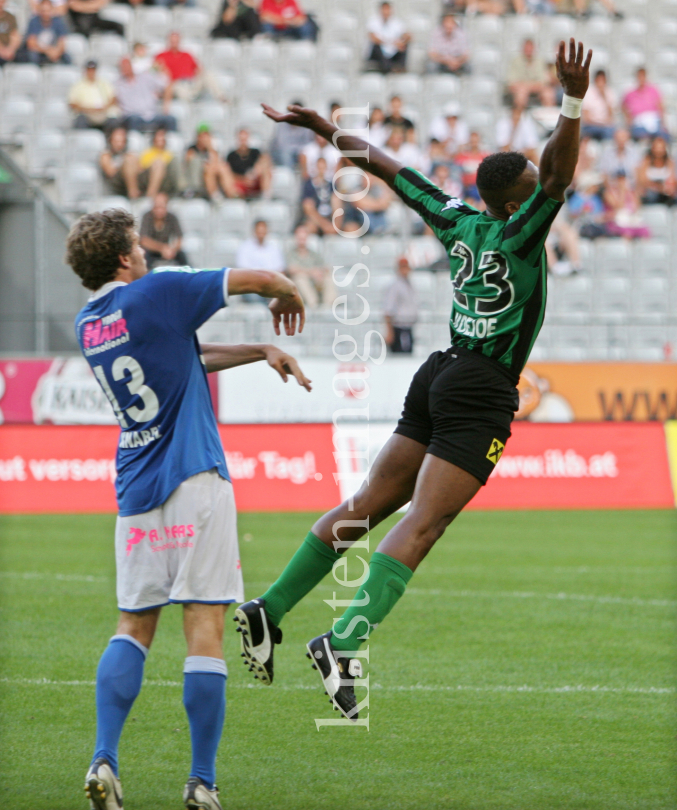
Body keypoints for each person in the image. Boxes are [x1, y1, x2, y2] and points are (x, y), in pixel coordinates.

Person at [237, 37, 592, 721]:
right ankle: (341, 643)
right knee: (423, 524)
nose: (539, 178)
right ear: (515, 196)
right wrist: (572, 101)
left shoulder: (456, 218)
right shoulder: (523, 231)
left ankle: (269, 607)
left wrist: (322, 129)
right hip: (482, 386)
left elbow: (390, 169)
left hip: (436, 371)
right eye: (530, 179)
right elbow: (557, 175)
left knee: (370, 501)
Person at [66, 208, 307, 810]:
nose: (145, 251)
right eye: (137, 245)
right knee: (204, 627)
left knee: (133, 627)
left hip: (136, 488)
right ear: (125, 258)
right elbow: (254, 280)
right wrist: (290, 291)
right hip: (195, 478)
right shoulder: (162, 289)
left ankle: (104, 760)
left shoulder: (91, 323)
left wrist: (258, 348)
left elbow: (183, 355)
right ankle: (201, 782)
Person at [155, 32, 224, 102]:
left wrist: (198, 74)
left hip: (191, 83)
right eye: (172, 41)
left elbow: (198, 69)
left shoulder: (187, 55)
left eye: (176, 41)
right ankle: (189, 105)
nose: (174, 43)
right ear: (168, 41)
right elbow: (154, 71)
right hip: (176, 85)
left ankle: (221, 98)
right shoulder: (161, 56)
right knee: (179, 89)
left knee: (208, 74)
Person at [114, 56, 176, 133]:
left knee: (170, 119)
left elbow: (166, 84)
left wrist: (166, 106)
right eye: (123, 66)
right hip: (133, 116)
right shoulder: (118, 84)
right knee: (133, 120)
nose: (125, 68)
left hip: (151, 115)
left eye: (127, 65)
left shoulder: (145, 77)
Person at [286, 225, 335, 308]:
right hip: (300, 285)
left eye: (304, 237)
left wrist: (319, 272)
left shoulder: (313, 254)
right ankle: (313, 305)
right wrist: (311, 272)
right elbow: (292, 270)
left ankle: (329, 305)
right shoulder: (291, 254)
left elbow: (324, 267)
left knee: (328, 278)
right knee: (300, 278)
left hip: (315, 281)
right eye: (299, 237)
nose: (302, 240)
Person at [184, 124, 236, 200]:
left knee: (222, 168)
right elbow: (190, 163)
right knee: (209, 169)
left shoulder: (211, 150)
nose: (204, 139)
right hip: (199, 178)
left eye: (206, 136)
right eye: (202, 136)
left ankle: (230, 193)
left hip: (213, 175)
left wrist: (210, 147)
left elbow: (217, 161)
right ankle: (215, 195)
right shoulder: (192, 149)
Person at [139, 193, 188, 269]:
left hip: (168, 250)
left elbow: (179, 238)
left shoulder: (172, 217)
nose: (159, 210)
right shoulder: (147, 217)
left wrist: (172, 249)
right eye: (156, 207)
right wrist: (162, 248)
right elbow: (144, 240)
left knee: (182, 256)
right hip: (152, 251)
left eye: (161, 207)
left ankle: (187, 276)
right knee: (145, 256)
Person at [622, 68, 670, 142]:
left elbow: (660, 106)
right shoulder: (630, 93)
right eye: (639, 76)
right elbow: (623, 106)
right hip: (639, 122)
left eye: (643, 76)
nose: (641, 79)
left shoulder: (653, 90)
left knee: (664, 135)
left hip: (653, 120)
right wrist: (628, 118)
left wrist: (663, 123)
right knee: (637, 133)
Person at [69, 59, 118, 130]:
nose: (91, 72)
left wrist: (105, 107)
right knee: (80, 121)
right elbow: (72, 103)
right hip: (86, 114)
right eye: (89, 70)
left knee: (114, 122)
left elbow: (113, 98)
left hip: (103, 114)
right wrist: (88, 109)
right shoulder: (78, 85)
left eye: (93, 70)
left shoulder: (103, 83)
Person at [506, 38, 555, 109]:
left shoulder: (540, 61)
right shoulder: (516, 61)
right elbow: (511, 82)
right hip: (521, 89)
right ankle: (520, 118)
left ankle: (548, 117)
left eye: (530, 48)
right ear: (523, 49)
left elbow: (544, 81)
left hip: (537, 89)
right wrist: (526, 87)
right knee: (521, 94)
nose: (529, 50)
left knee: (549, 94)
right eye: (527, 48)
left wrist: (529, 86)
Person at [384, 257, 418, 354]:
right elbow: (388, 310)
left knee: (407, 354)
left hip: (408, 326)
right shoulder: (395, 286)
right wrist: (390, 332)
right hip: (399, 326)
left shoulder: (409, 285)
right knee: (400, 354)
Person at [225, 128, 271, 199]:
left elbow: (265, 161)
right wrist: (244, 180)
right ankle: (235, 199)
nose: (243, 142)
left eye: (245, 139)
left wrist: (253, 174)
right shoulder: (231, 156)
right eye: (241, 139)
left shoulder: (255, 152)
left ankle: (265, 196)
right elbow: (229, 174)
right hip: (239, 185)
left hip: (255, 181)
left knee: (265, 166)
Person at [366, 1, 410, 75]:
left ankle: (400, 67)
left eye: (388, 9)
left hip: (392, 52)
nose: (386, 12)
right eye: (384, 9)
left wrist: (403, 42)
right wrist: (392, 43)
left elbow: (407, 36)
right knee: (376, 46)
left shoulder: (397, 22)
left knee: (404, 46)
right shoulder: (373, 21)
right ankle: (388, 68)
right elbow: (374, 38)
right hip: (378, 54)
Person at [22, 0, 70, 65]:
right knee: (32, 55)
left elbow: (62, 42)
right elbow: (31, 43)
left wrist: (57, 52)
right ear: (39, 11)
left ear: (52, 10)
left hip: (53, 50)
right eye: (43, 11)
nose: (46, 13)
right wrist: (48, 51)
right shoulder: (34, 21)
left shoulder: (58, 21)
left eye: (48, 10)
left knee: (67, 58)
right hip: (40, 52)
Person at [100, 127, 142, 199]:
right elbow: (110, 173)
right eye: (116, 141)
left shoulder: (129, 154)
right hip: (116, 182)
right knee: (129, 160)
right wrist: (125, 166)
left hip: (132, 179)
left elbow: (140, 169)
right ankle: (133, 193)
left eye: (122, 141)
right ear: (110, 141)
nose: (119, 144)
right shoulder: (106, 155)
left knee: (132, 157)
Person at [270, 100, 314, 168]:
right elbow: (281, 143)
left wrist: (299, 150)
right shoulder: (282, 123)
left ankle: (305, 177)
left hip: (299, 152)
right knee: (285, 154)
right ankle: (289, 176)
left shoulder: (307, 125)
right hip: (283, 152)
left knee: (306, 153)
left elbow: (308, 143)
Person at [139, 127, 181, 198]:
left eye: (163, 136)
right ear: (154, 139)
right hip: (148, 178)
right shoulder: (147, 153)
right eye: (159, 136)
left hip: (166, 180)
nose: (161, 139)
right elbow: (141, 169)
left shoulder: (170, 154)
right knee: (158, 163)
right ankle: (150, 195)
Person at [636, 136, 677, 207]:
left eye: (661, 148)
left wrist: (668, 188)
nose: (659, 150)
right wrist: (658, 187)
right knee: (651, 196)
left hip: (666, 192)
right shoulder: (646, 161)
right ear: (652, 148)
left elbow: (673, 179)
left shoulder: (670, 162)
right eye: (657, 147)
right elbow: (642, 180)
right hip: (650, 191)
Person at [300, 156, 337, 235]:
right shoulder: (308, 184)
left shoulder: (331, 185)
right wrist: (324, 225)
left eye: (323, 168)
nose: (321, 170)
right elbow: (308, 207)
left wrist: (335, 225)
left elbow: (337, 204)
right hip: (315, 219)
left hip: (329, 217)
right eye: (319, 167)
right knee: (310, 227)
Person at [454, 131, 491, 203]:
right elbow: (455, 167)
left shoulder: (485, 155)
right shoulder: (462, 155)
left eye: (476, 141)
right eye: (472, 141)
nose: (474, 144)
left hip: (479, 187)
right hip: (464, 186)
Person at [581, 69, 616, 141]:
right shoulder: (588, 92)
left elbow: (611, 116)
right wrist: (599, 122)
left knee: (611, 132)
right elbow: (586, 117)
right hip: (591, 125)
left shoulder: (609, 92)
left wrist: (604, 97)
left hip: (605, 126)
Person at [0, 0, 21, 66]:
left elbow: (15, 35)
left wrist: (11, 49)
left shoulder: (10, 17)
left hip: (9, 50)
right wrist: (2, 50)